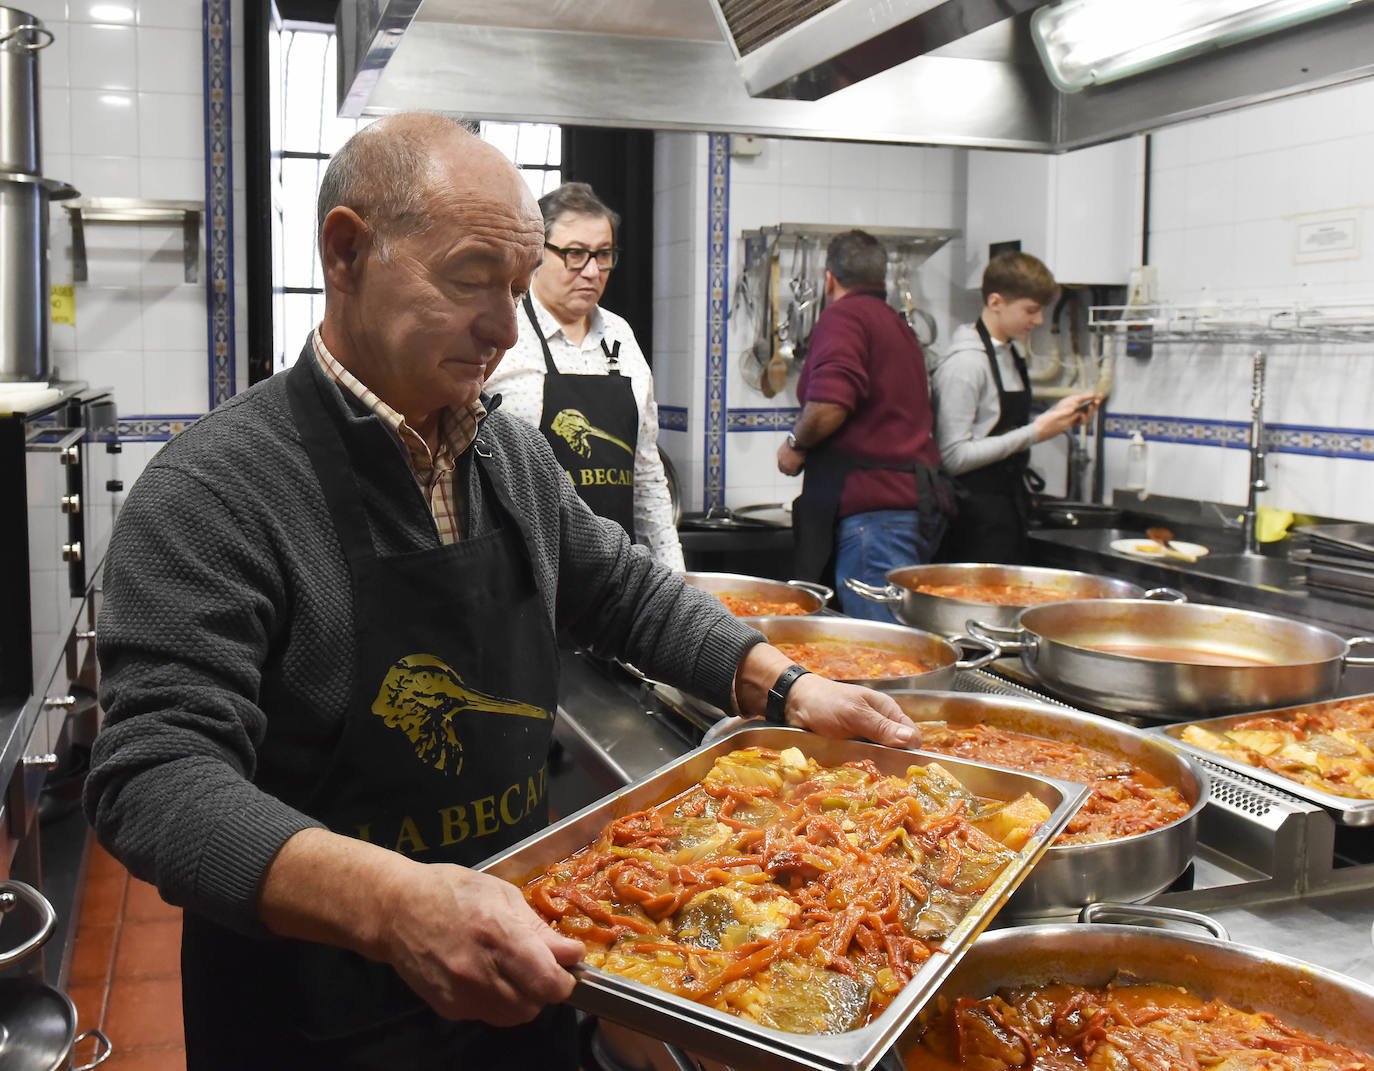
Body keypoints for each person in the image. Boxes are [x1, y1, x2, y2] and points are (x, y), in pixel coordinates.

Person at [81, 114, 920, 1071]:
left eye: (516, 290)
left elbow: (626, 592)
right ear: (345, 252)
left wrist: (790, 687)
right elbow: (156, 781)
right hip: (317, 1014)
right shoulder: (215, 489)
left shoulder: (506, 455)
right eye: (472, 278)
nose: (503, 327)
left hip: (527, 978)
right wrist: (397, 903)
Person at [484, 181, 684, 570]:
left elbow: (646, 476)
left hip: (615, 579)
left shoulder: (621, 337)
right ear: (538, 252)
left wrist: (675, 575)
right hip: (523, 573)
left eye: (604, 255)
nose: (592, 271)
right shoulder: (502, 334)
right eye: (575, 254)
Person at [776, 229, 951, 621]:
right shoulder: (896, 325)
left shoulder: (844, 317)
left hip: (875, 521)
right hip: (906, 508)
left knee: (878, 652)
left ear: (829, 279)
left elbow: (830, 405)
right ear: (881, 279)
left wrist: (795, 445)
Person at [930, 251, 1100, 564]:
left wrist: (1060, 418)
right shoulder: (966, 363)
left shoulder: (1009, 355)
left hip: (1007, 509)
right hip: (970, 520)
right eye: (1031, 310)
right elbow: (952, 457)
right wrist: (1036, 432)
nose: (1037, 321)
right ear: (995, 302)